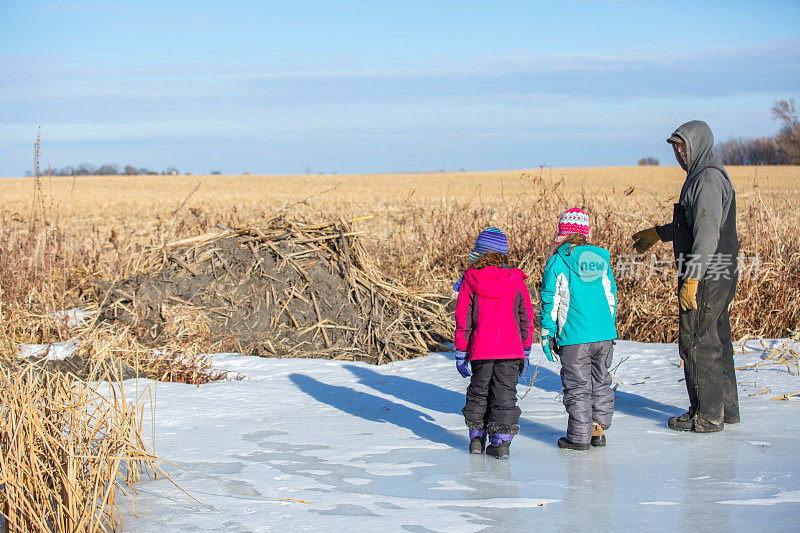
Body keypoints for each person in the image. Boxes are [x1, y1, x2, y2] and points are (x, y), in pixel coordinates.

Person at [632, 120, 739, 433]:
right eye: (675, 147)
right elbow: (694, 223)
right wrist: (660, 233)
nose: (679, 152)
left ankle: (706, 415)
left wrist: (692, 279)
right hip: (719, 271)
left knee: (697, 340)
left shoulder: (706, 180)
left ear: (699, 145)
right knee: (717, 338)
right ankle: (726, 410)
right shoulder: (705, 175)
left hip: (705, 273)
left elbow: (706, 235)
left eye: (683, 146)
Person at [454, 227, 534, 459]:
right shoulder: (515, 279)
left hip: (481, 350)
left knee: (479, 393)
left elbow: (463, 319)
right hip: (510, 351)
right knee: (505, 395)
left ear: (479, 253)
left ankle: (476, 439)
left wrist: (461, 351)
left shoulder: (471, 279)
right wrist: (526, 347)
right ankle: (501, 444)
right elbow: (525, 316)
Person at [540, 208, 617, 450]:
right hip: (604, 334)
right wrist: (607, 324)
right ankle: (598, 430)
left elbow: (551, 301)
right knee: (600, 381)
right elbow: (610, 295)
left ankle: (579, 437)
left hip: (575, 336)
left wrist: (546, 333)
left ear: (563, 232)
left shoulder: (558, 261)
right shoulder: (600, 258)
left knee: (577, 386)